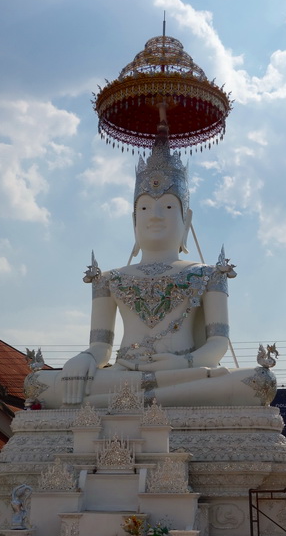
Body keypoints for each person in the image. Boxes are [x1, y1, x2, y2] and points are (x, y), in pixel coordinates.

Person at [26, 126, 272, 409]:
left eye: (168, 207)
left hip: (183, 373)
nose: (154, 216)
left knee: (257, 382)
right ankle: (144, 398)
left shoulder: (209, 275)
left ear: (187, 219)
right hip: (123, 375)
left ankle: (124, 402)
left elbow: (218, 344)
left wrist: (183, 362)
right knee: (38, 384)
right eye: (144, 208)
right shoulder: (108, 279)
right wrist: (85, 359)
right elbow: (101, 347)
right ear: (133, 220)